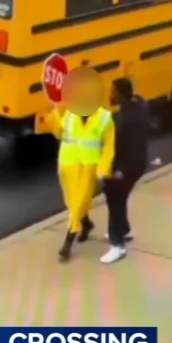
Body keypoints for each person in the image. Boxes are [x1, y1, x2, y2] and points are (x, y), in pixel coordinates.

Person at [48, 66, 116, 262]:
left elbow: (109, 146)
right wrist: (54, 115)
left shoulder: (105, 118)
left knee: (79, 201)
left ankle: (69, 240)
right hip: (67, 164)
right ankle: (85, 223)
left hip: (88, 166)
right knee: (72, 202)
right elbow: (60, 133)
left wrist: (104, 169)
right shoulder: (70, 112)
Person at [100, 78, 150, 264]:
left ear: (121, 93)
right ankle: (125, 230)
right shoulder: (140, 106)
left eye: (113, 91)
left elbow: (127, 146)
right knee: (117, 197)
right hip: (137, 163)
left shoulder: (126, 120)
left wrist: (120, 170)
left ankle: (117, 244)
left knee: (115, 198)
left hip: (128, 165)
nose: (110, 94)